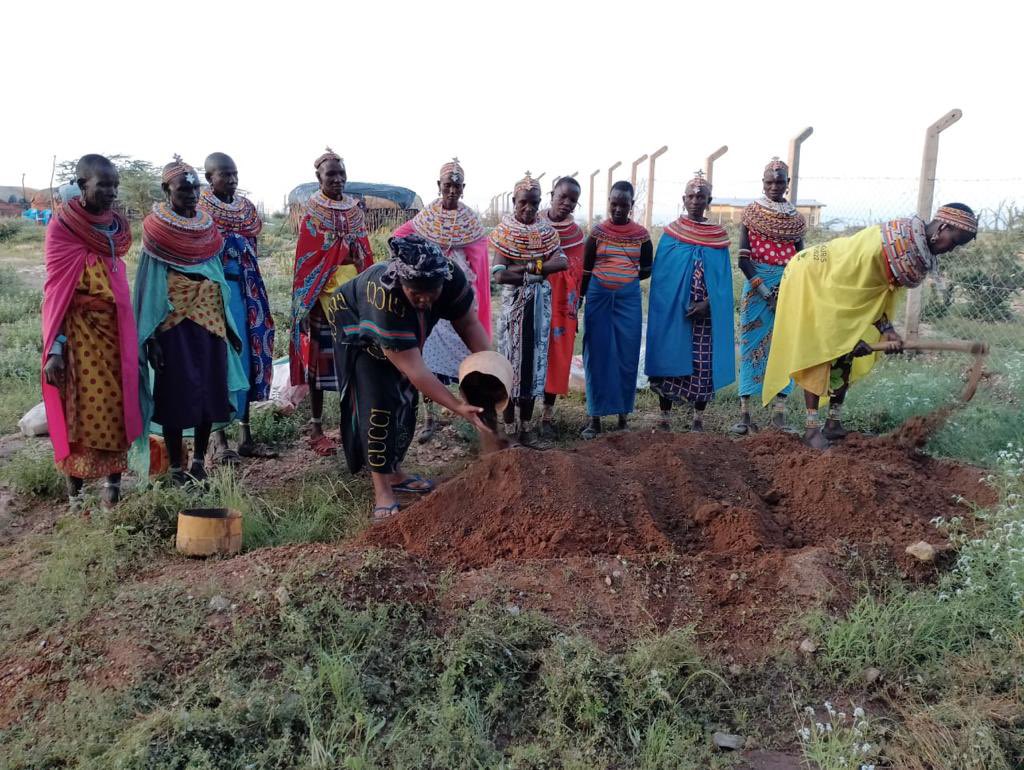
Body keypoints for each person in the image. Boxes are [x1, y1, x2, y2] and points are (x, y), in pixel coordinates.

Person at [763, 203, 978, 449]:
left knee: (847, 353)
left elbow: (876, 295)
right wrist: (866, 333)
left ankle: (832, 424)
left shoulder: (910, 251)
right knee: (821, 349)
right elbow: (846, 296)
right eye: (955, 241)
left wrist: (885, 330)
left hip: (842, 288)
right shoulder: (881, 249)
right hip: (813, 278)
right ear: (943, 227)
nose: (952, 249)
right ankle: (811, 430)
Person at [328, 234, 490, 520]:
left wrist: (491, 367)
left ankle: (396, 472)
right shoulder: (383, 295)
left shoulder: (450, 277)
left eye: (432, 292)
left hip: (401, 338)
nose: (425, 299)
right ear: (402, 283)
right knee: (378, 405)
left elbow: (468, 324)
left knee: (405, 402)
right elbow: (415, 369)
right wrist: (458, 406)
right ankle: (383, 489)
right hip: (359, 332)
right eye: (416, 293)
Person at [132, 156, 248, 484]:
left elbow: (215, 275)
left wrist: (225, 323)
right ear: (166, 190)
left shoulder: (206, 227)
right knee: (175, 394)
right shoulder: (157, 230)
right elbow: (150, 286)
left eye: (195, 187)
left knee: (209, 392)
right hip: (173, 325)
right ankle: (175, 468)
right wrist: (151, 337)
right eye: (184, 188)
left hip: (210, 322)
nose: (192, 193)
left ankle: (198, 461)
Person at [41, 154, 141, 508]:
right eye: (104, 185)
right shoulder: (63, 227)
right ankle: (76, 493)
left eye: (115, 184)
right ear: (83, 185)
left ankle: (113, 484)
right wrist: (55, 348)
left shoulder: (115, 228)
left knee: (116, 404)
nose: (112, 191)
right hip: (76, 335)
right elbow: (56, 293)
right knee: (77, 411)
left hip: (114, 332)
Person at [391, 158, 490, 443]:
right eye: (447, 185)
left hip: (458, 295)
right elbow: (399, 238)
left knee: (466, 359)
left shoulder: (470, 219)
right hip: (430, 297)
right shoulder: (426, 218)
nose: (452, 190)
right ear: (439, 185)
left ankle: (473, 418)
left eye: (457, 186)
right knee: (427, 357)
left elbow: (479, 252)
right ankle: (429, 418)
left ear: (463, 188)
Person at [290, 148, 373, 456]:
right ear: (318, 178)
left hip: (353, 294)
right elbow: (309, 258)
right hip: (321, 295)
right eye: (331, 174)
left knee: (354, 359)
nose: (338, 179)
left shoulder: (355, 211)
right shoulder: (311, 213)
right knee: (318, 364)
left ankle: (351, 425)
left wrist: (354, 260)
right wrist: (341, 253)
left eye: (341, 173)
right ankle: (315, 428)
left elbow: (363, 251)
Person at [198, 152, 275, 463]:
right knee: (218, 360)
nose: (231, 180)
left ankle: (245, 436)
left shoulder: (246, 211)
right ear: (209, 178)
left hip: (247, 291)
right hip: (215, 293)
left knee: (246, 357)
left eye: (234, 174)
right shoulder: (199, 212)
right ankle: (219, 439)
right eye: (223, 175)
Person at [645, 171, 735, 431]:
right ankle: (665, 417)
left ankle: (698, 419)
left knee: (703, 363)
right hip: (676, 312)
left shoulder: (718, 237)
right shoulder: (671, 235)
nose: (696, 200)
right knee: (670, 357)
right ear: (683, 199)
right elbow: (662, 279)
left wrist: (708, 304)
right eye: (691, 196)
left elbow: (723, 282)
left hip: (705, 314)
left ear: (709, 200)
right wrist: (677, 304)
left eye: (701, 196)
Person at [490, 172, 568, 445]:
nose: (529, 209)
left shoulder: (546, 232)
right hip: (514, 308)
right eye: (523, 202)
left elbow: (561, 262)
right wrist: (537, 271)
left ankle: (527, 427)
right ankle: (510, 429)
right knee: (511, 366)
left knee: (534, 365)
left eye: (534, 203)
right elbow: (499, 274)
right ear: (513, 200)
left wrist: (526, 268)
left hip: (539, 309)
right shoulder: (506, 232)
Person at [733, 157, 807, 435]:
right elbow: (743, 259)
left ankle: (779, 413)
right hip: (756, 286)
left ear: (787, 184)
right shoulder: (751, 214)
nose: (774, 186)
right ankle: (745, 413)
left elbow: (801, 261)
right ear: (762, 183)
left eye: (780, 181)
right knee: (751, 344)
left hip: (788, 287)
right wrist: (765, 291)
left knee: (784, 346)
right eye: (769, 181)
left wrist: (785, 290)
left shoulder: (796, 220)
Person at [580, 180, 652, 438]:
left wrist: (622, 281)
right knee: (596, 354)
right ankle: (595, 417)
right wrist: (580, 299)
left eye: (624, 204)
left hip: (628, 300)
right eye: (614, 203)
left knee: (626, 353)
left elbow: (645, 269)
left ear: (632, 205)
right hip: (598, 298)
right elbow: (586, 271)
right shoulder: (597, 233)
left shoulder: (642, 236)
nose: (618, 209)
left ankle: (623, 416)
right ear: (608, 202)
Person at [539, 176, 585, 438]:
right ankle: (521, 417)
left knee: (557, 357)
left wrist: (574, 310)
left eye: (573, 200)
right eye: (562, 197)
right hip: (533, 297)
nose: (566, 203)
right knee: (529, 354)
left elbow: (577, 273)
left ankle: (547, 415)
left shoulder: (576, 234)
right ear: (551, 194)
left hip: (562, 303)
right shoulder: (533, 224)